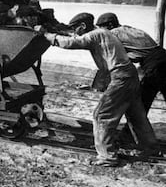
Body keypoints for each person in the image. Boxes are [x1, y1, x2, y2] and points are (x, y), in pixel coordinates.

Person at [35, 12, 157, 166]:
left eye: (76, 29)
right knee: (135, 113)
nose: (75, 32)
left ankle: (107, 156)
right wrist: (59, 31)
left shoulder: (96, 34)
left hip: (120, 77)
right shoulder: (102, 33)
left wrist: (46, 35)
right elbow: (73, 37)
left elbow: (71, 43)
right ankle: (150, 145)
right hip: (130, 75)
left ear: (83, 26)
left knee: (101, 115)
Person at [96, 12, 166, 112]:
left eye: (102, 28)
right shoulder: (131, 29)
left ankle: (132, 128)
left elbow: (120, 59)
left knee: (142, 101)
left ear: (110, 25)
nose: (101, 31)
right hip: (162, 56)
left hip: (154, 65)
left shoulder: (113, 34)